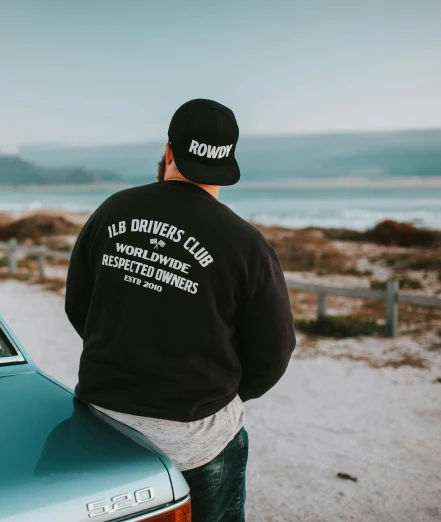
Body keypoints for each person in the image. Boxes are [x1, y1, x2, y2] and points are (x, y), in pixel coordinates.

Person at [65, 98, 296, 522]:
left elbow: (79, 307)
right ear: (228, 162)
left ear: (170, 151)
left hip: (101, 423)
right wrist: (218, 392)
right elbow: (274, 352)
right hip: (195, 440)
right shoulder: (246, 245)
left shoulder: (112, 210)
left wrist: (123, 352)